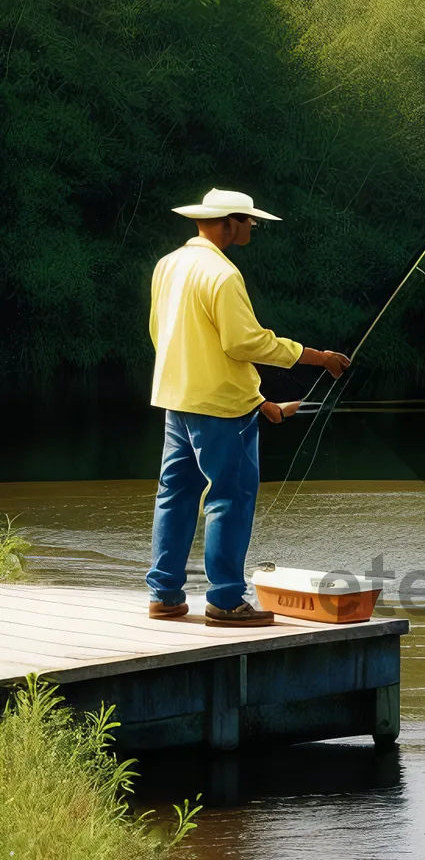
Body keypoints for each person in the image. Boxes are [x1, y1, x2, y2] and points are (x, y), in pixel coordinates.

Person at [145, 188, 350, 626]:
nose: (252, 228)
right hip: (220, 408)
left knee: (174, 495)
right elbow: (243, 343)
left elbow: (162, 334)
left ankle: (164, 595)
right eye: (249, 222)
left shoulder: (168, 265)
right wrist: (315, 356)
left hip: (175, 399)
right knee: (229, 499)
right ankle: (225, 600)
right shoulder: (222, 274)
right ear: (228, 223)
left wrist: (259, 402)